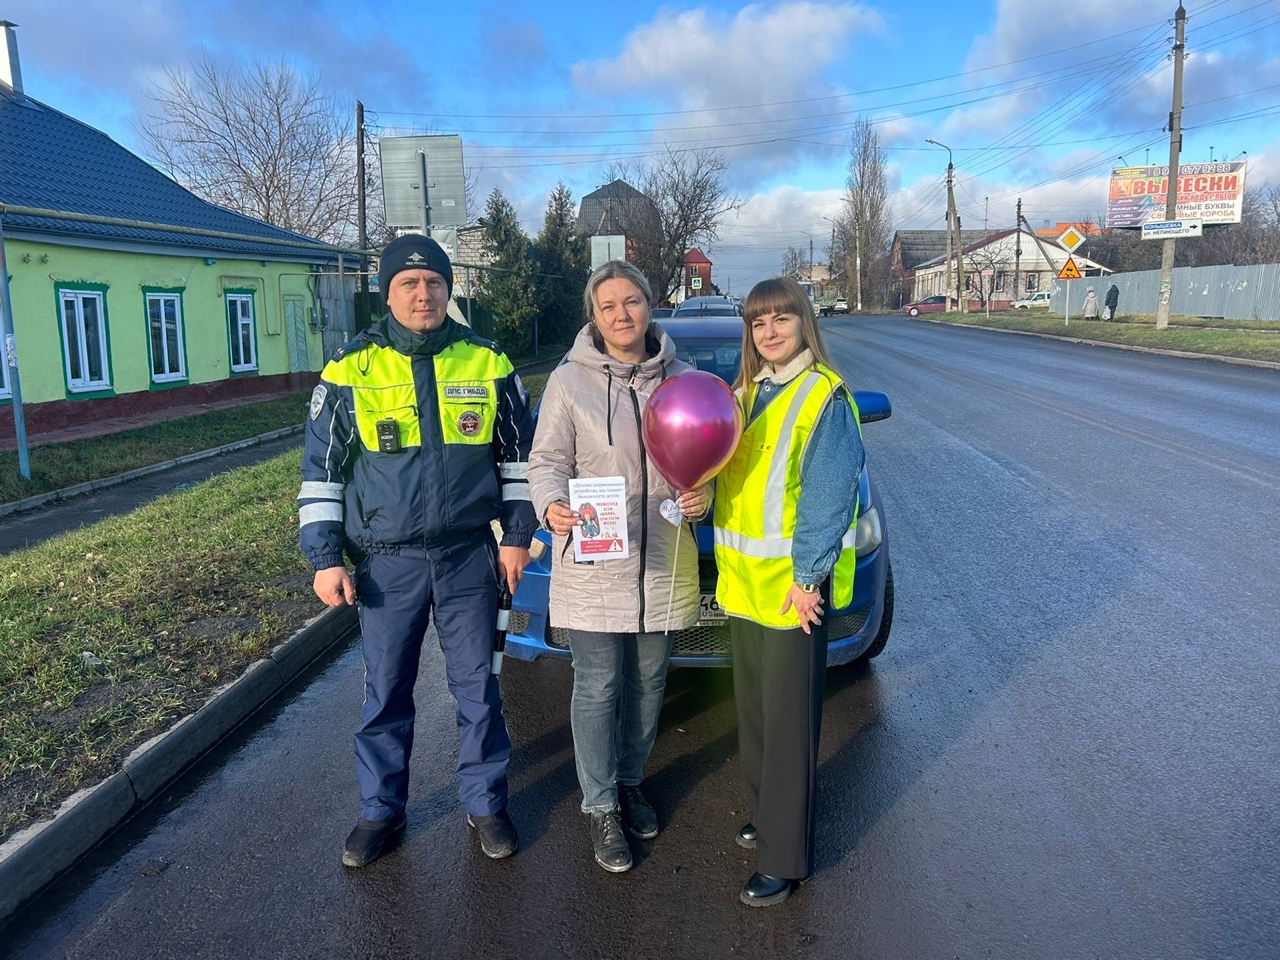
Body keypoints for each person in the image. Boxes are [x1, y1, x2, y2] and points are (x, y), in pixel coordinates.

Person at [298, 234, 536, 868]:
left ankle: (485, 804)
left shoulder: (487, 362)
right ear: (388, 292)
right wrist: (325, 557)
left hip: (467, 559)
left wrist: (515, 539)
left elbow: (517, 465)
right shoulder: (351, 369)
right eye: (409, 283)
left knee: (478, 689)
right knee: (387, 693)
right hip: (386, 563)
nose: (423, 293)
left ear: (449, 289)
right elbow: (321, 474)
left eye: (434, 282)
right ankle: (380, 813)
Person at [527, 260, 708, 874]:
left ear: (650, 305)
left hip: (663, 559)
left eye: (632, 301)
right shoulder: (567, 383)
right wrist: (550, 504)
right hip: (595, 563)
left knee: (650, 683)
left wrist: (703, 493)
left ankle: (631, 782)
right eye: (609, 306)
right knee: (599, 684)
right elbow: (547, 459)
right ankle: (601, 805)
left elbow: (711, 454)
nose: (622, 314)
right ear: (593, 316)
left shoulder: (685, 379)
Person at [712, 276, 865, 908]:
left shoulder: (823, 397)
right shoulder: (743, 395)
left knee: (790, 725)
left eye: (781, 319)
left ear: (805, 323)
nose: (769, 332)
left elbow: (829, 498)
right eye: (757, 323)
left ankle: (786, 856)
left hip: (790, 593)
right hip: (743, 589)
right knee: (755, 718)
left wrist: (808, 580)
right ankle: (765, 815)